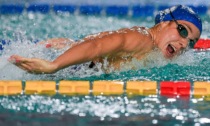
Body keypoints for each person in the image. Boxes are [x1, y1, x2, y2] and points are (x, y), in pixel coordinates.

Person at [8, 5, 202, 74]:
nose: (185, 43)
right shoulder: (142, 39)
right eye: (183, 31)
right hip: (72, 64)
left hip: (71, 52)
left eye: (192, 42)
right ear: (164, 24)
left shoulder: (152, 49)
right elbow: (97, 46)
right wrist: (54, 65)